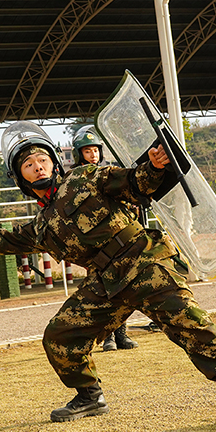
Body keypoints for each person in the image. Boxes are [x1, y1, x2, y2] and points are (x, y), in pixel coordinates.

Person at [0, 121, 216, 428]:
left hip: (143, 262)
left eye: (43, 160)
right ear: (21, 177)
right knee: (60, 336)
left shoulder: (84, 177)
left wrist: (153, 165)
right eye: (28, 165)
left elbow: (134, 183)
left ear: (55, 162)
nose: (38, 167)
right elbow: (2, 240)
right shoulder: (41, 225)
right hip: (105, 282)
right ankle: (90, 397)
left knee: (192, 324)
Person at [70, 125, 138, 352]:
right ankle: (106, 338)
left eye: (95, 151)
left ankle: (121, 335)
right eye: (87, 151)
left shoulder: (109, 175)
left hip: (117, 240)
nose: (93, 155)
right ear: (79, 155)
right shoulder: (73, 180)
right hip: (94, 245)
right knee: (103, 291)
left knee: (123, 288)